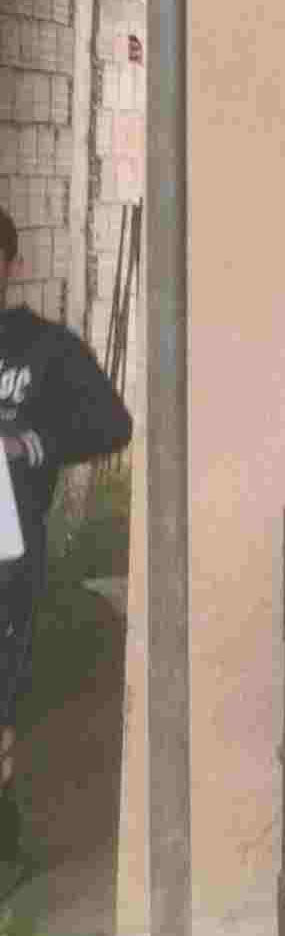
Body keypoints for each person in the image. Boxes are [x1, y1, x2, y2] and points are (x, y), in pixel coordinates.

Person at [0, 203, 133, 809]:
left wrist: (31, 443)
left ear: (11, 265)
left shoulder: (44, 348)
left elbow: (113, 424)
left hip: (9, 550)